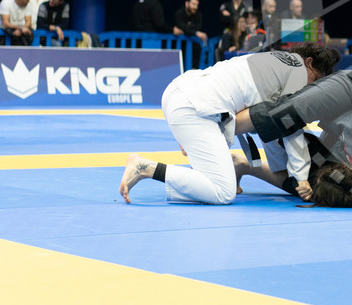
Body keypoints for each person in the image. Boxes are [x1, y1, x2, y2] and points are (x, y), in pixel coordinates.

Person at [119, 45, 336, 206]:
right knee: (223, 192)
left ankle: (206, 175)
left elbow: (268, 125)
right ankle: (145, 167)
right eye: (315, 79)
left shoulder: (273, 60)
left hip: (183, 92)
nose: (312, 87)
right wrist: (300, 177)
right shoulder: (298, 72)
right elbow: (291, 129)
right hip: (197, 107)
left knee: (209, 183)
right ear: (308, 62)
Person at [231, 52, 352, 206]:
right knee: (286, 116)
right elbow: (331, 113)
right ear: (343, 166)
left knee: (304, 186)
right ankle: (226, 125)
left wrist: (305, 178)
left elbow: (331, 182)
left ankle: (244, 165)